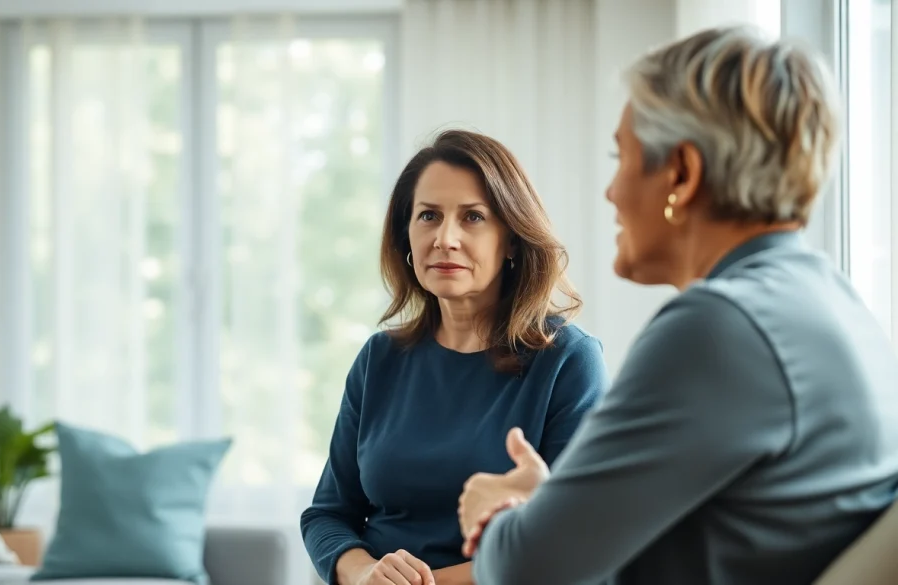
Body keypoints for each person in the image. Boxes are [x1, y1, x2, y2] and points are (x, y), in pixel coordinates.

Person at [458, 25, 898, 585]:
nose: (611, 192)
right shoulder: (831, 301)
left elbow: (528, 571)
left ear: (682, 175)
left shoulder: (719, 328)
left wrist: (496, 518)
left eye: (623, 157)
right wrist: (551, 506)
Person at [300, 129, 609, 585]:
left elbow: (576, 539)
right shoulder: (378, 358)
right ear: (406, 234)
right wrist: (364, 573)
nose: (445, 238)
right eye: (428, 215)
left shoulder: (568, 360)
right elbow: (327, 515)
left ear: (512, 240)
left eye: (473, 217)